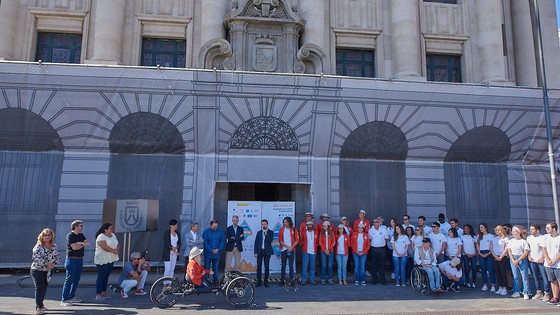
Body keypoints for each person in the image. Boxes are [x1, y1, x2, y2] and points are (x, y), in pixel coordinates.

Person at [31, 228, 60, 315]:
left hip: (48, 270)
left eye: (49, 235)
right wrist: (46, 264)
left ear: (51, 236)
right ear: (42, 236)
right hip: (37, 270)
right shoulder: (38, 246)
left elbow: (57, 257)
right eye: (45, 235)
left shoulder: (54, 245)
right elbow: (36, 259)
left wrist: (53, 264)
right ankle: (38, 307)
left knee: (44, 288)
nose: (47, 236)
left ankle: (41, 304)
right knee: (39, 287)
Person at [61, 220, 89, 306]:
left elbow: (87, 243)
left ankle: (71, 296)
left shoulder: (80, 235)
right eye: (81, 226)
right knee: (69, 280)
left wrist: (80, 243)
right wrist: (81, 244)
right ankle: (64, 299)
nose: (82, 227)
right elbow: (74, 248)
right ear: (76, 227)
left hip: (79, 259)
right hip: (71, 260)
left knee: (76, 279)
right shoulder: (70, 236)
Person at [94, 223, 119, 301]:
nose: (112, 230)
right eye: (110, 228)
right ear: (105, 230)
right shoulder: (101, 236)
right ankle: (98, 294)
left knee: (106, 276)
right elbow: (104, 246)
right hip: (102, 259)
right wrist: (113, 251)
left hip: (110, 258)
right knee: (101, 276)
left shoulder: (113, 235)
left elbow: (117, 243)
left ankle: (103, 293)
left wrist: (117, 249)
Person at [507, 225, 531, 299]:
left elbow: (525, 252)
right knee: (515, 276)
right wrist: (513, 260)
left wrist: (518, 260)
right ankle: (517, 291)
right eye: (513, 231)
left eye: (515, 231)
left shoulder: (524, 241)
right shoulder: (510, 241)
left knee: (524, 276)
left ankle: (526, 292)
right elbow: (509, 251)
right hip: (513, 258)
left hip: (522, 258)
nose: (514, 233)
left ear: (519, 232)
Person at [527, 223, 549, 301]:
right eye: (530, 229)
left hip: (541, 260)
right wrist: (529, 256)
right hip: (532, 260)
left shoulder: (542, 237)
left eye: (532, 229)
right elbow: (528, 248)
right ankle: (539, 292)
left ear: (537, 230)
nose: (531, 231)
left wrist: (542, 258)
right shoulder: (529, 238)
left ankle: (547, 293)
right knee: (535, 277)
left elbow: (545, 249)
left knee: (544, 276)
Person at [541, 222, 560, 305]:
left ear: (554, 229)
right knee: (552, 280)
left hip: (558, 263)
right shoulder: (545, 237)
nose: (546, 229)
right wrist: (548, 259)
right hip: (548, 263)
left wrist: (555, 260)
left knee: (559, 280)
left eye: (548, 228)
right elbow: (543, 249)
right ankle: (555, 297)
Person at [203, 220, 225, 284]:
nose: (215, 228)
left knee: (215, 267)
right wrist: (211, 250)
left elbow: (222, 241)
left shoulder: (220, 232)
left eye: (216, 226)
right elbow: (205, 243)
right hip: (208, 254)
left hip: (217, 254)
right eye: (214, 226)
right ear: (210, 225)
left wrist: (218, 249)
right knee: (207, 267)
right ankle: (206, 280)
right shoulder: (206, 232)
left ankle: (215, 280)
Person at [368, 217, 389, 285]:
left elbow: (386, 239)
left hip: (382, 249)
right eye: (373, 222)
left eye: (376, 222)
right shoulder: (370, 230)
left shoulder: (383, 230)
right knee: (374, 265)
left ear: (379, 223)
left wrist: (382, 244)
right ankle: (374, 280)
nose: (375, 223)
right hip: (373, 249)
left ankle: (382, 280)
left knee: (382, 265)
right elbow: (369, 239)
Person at [279, 216, 299, 285]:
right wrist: (287, 247)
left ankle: (291, 280)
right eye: (284, 222)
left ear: (289, 222)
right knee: (283, 266)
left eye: (286, 222)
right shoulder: (281, 230)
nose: (285, 223)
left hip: (291, 250)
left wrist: (291, 247)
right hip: (284, 250)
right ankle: (282, 280)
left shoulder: (294, 229)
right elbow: (280, 240)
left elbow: (297, 240)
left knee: (291, 266)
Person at [254, 219, 274, 287]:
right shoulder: (259, 233)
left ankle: (266, 282)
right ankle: (259, 282)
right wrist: (255, 252)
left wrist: (266, 234)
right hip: (260, 251)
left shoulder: (270, 232)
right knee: (259, 267)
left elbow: (270, 240)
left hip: (267, 251)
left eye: (265, 224)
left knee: (267, 267)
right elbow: (256, 243)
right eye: (262, 224)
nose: (264, 225)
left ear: (267, 224)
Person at [477, 223, 496, 292]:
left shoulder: (491, 236)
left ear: (486, 228)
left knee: (491, 269)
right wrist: (480, 253)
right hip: (481, 253)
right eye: (480, 227)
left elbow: (492, 247)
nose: (480, 229)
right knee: (483, 269)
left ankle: (493, 284)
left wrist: (488, 253)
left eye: (482, 227)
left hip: (489, 253)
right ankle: (484, 284)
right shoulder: (479, 236)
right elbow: (478, 246)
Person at [490, 225, 509, 296]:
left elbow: (506, 248)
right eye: (495, 230)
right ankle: (500, 287)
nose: (496, 232)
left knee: (502, 272)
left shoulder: (505, 239)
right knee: (497, 272)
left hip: (503, 257)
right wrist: (495, 256)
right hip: (495, 256)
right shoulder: (493, 238)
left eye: (497, 230)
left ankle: (505, 288)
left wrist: (501, 257)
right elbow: (491, 248)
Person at [162, 219, 181, 285]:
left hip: (175, 253)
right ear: (171, 225)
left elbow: (179, 243)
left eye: (176, 225)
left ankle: (169, 283)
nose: (176, 226)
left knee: (172, 268)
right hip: (168, 253)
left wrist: (177, 247)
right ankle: (165, 283)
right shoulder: (166, 233)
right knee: (167, 268)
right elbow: (167, 243)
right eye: (174, 225)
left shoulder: (177, 233)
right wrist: (172, 248)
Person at [300, 220, 318, 285]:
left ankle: (312, 279)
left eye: (310, 225)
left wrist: (315, 246)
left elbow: (317, 242)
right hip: (306, 251)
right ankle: (304, 279)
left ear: (312, 226)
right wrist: (304, 246)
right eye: (308, 225)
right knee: (305, 266)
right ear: (306, 226)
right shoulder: (304, 233)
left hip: (313, 251)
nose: (309, 226)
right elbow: (301, 241)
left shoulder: (316, 233)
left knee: (312, 266)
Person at [461, 224, 477, 289]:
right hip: (465, 254)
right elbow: (461, 246)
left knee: (474, 268)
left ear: (470, 229)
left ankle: (474, 282)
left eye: (467, 228)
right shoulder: (462, 237)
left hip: (473, 254)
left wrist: (474, 253)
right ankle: (467, 282)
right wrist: (465, 253)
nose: (465, 230)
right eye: (464, 228)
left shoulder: (473, 237)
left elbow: (476, 246)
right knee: (466, 268)